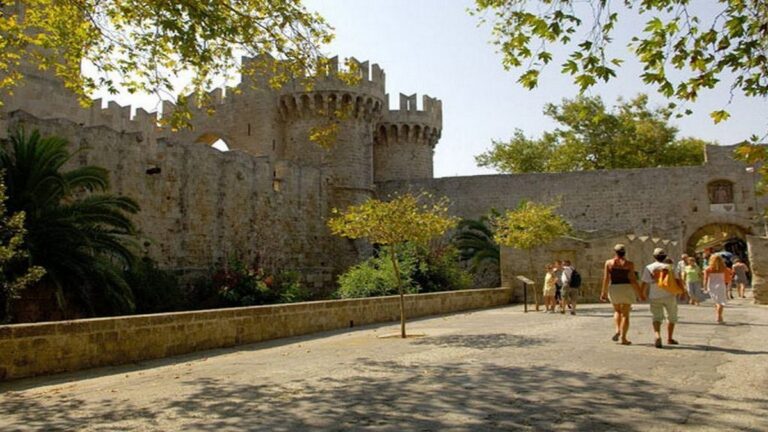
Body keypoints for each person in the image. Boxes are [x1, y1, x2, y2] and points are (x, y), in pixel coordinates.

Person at [601, 244, 643, 345]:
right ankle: (624, 338)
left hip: (614, 288)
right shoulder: (629, 264)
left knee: (617, 310)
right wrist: (640, 293)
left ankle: (617, 330)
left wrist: (603, 292)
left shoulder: (608, 263)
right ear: (624, 252)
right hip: (626, 288)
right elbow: (633, 280)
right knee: (625, 314)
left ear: (615, 252)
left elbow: (606, 278)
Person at [641, 248, 681, 349]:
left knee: (656, 317)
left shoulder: (649, 267)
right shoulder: (670, 267)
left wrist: (641, 294)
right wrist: (682, 291)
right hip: (669, 294)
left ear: (654, 257)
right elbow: (677, 279)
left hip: (654, 295)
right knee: (671, 316)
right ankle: (670, 338)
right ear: (665, 256)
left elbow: (645, 282)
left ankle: (657, 335)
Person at [704, 254, 730, 323]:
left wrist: (705, 287)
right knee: (720, 302)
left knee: (716, 302)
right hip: (721, 285)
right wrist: (728, 286)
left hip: (711, 286)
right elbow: (727, 279)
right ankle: (719, 316)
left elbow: (705, 279)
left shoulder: (708, 269)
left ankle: (719, 316)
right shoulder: (724, 268)